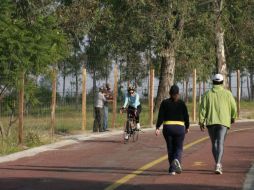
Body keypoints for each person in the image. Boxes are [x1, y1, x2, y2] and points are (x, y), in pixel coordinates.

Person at [199, 73, 237, 175]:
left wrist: (201, 121)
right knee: (220, 142)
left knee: (214, 143)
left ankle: (217, 163)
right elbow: (234, 106)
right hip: (223, 122)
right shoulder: (228, 93)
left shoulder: (207, 94)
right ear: (222, 82)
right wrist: (233, 117)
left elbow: (202, 109)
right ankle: (218, 164)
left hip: (211, 121)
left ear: (213, 82)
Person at [155, 84, 189, 175]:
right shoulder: (182, 103)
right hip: (179, 128)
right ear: (178, 93)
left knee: (170, 149)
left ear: (170, 93)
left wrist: (157, 127)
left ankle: (172, 170)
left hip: (168, 127)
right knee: (178, 148)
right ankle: (176, 160)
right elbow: (186, 116)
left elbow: (161, 116)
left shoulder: (164, 103)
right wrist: (187, 127)